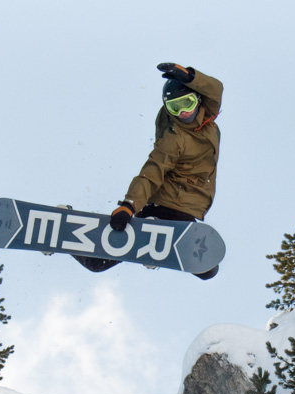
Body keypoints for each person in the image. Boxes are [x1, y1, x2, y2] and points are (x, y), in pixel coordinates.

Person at [76, 62, 222, 279]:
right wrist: (129, 205)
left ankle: (153, 236)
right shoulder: (174, 138)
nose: (183, 113)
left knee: (208, 268)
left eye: (187, 104)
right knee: (205, 266)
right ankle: (151, 227)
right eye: (175, 108)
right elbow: (153, 170)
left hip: (189, 206)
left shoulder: (207, 116)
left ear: (198, 100)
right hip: (168, 204)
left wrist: (189, 76)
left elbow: (215, 89)